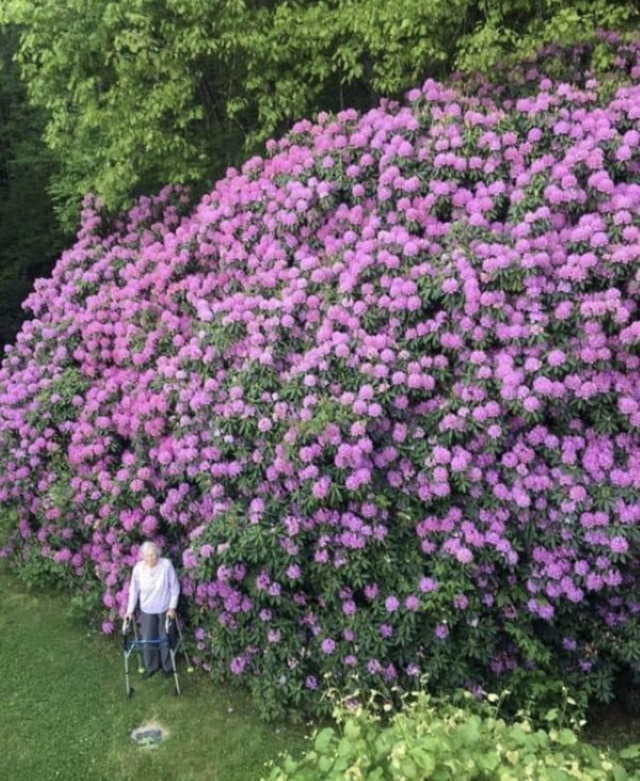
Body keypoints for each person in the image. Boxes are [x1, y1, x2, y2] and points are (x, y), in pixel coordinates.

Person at [125, 540, 180, 678]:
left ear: (158, 554)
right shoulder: (138, 568)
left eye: (154, 555)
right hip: (147, 609)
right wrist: (130, 610)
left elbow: (175, 587)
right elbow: (134, 590)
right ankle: (152, 667)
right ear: (143, 556)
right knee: (148, 638)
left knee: (165, 637)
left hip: (164, 608)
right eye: (148, 555)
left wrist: (172, 607)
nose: (151, 558)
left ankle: (167, 667)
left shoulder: (166, 565)